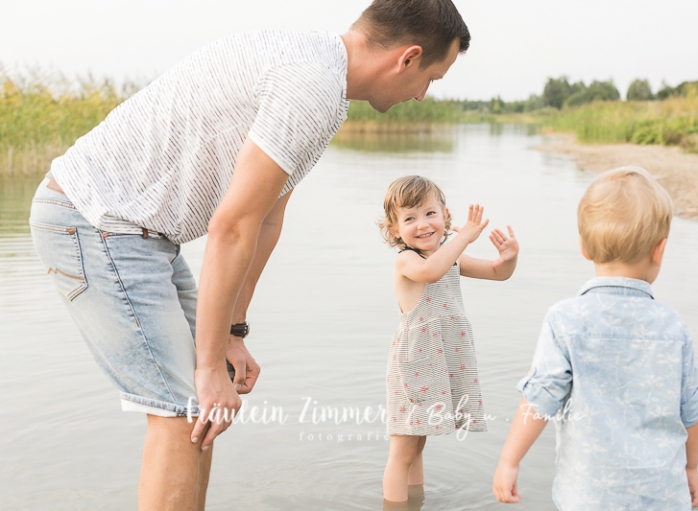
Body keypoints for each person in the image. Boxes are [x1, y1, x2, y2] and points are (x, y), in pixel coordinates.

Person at [27, 1, 471, 509]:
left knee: (203, 409)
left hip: (137, 234)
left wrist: (232, 333)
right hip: (94, 220)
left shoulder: (322, 82)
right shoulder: (311, 84)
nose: (422, 95)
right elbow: (230, 227)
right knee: (183, 409)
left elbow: (265, 219)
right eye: (432, 78)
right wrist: (209, 363)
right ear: (408, 58)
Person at [492, 167, 698, 510]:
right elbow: (690, 408)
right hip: (663, 494)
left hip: (588, 496)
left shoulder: (565, 319)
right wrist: (691, 468)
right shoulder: (673, 326)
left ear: (583, 248)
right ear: (659, 250)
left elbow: (540, 398)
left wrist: (509, 460)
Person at [378, 176, 519, 504]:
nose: (423, 225)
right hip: (413, 370)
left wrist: (509, 256)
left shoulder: (448, 257)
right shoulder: (407, 261)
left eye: (430, 214)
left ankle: (415, 500)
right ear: (395, 229)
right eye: (409, 218)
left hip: (436, 365)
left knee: (418, 446)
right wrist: (465, 238)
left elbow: (498, 272)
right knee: (401, 453)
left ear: (445, 215)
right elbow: (431, 273)